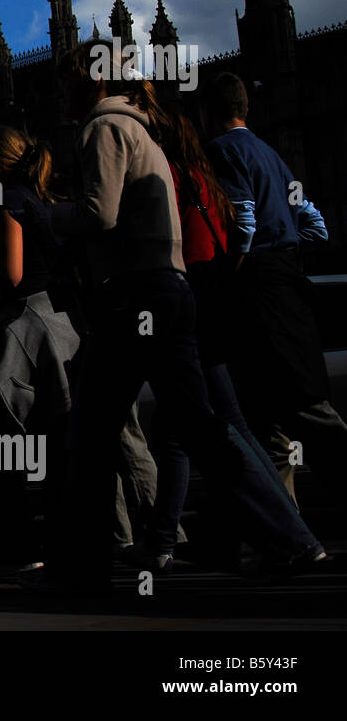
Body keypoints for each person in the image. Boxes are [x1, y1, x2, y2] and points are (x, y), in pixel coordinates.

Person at [42, 40, 325, 593]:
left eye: (67, 82)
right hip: (169, 290)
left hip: (134, 296)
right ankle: (295, 541)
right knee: (205, 430)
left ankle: (78, 570)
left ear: (93, 82)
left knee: (90, 435)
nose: (60, 93)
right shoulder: (143, 127)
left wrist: (51, 216)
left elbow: (100, 215)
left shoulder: (104, 127)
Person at [136, 103, 321, 572]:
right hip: (216, 302)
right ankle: (271, 536)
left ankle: (280, 538)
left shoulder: (174, 180)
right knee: (222, 425)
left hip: (190, 302)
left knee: (196, 430)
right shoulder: (210, 178)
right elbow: (290, 224)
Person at [199, 72, 347, 509]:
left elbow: (243, 217)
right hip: (286, 285)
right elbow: (316, 226)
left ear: (210, 111)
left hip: (259, 292)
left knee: (301, 413)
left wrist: (238, 263)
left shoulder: (221, 151)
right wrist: (284, 245)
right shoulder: (271, 154)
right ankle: (291, 539)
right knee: (271, 422)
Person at [0, 126, 81, 571]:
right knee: (58, 440)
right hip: (64, 324)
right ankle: (62, 546)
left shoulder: (7, 199)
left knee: (4, 440)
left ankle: (12, 549)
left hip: (25, 326)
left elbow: (14, 274)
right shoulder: (49, 199)